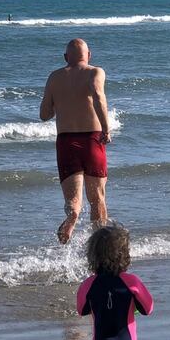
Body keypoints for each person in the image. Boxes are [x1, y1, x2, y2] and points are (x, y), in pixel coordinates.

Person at [40, 38, 111, 244]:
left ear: (65, 58)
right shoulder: (95, 72)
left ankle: (72, 217)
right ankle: (100, 245)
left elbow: (44, 114)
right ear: (89, 55)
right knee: (97, 198)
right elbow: (98, 96)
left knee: (73, 201)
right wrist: (106, 129)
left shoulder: (54, 77)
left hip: (66, 142)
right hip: (92, 140)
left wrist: (60, 101)